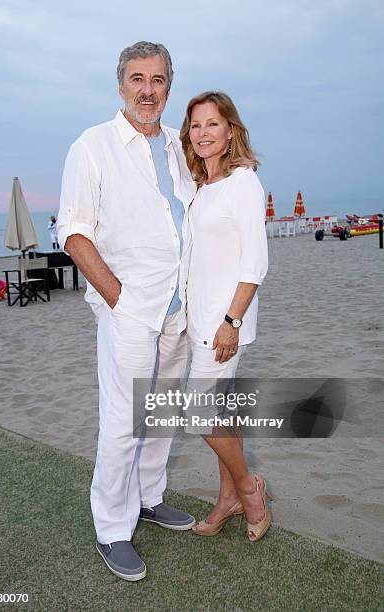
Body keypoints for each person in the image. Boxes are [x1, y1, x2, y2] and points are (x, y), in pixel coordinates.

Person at [58, 41, 196, 582]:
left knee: (161, 412)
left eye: (157, 79)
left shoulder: (177, 147)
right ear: (120, 85)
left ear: (168, 86)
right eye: (136, 78)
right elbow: (72, 230)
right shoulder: (92, 146)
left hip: (178, 308)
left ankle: (149, 496)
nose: (147, 89)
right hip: (129, 309)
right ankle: (112, 527)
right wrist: (115, 295)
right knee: (122, 422)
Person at [179, 91, 271, 542]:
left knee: (198, 413)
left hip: (223, 325)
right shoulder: (202, 186)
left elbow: (255, 263)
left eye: (212, 124)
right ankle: (227, 498)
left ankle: (250, 490)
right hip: (197, 321)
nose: (203, 133)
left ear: (230, 130)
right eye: (195, 126)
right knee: (221, 414)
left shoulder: (243, 182)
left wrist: (231, 322)